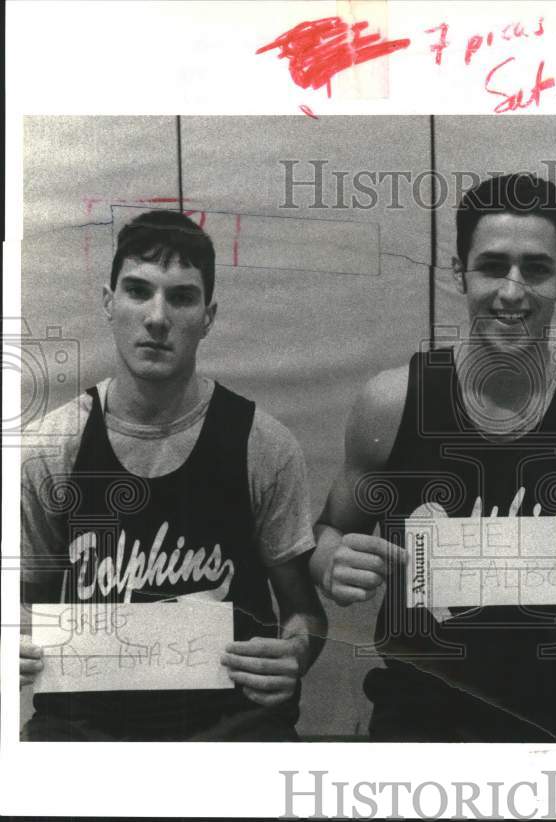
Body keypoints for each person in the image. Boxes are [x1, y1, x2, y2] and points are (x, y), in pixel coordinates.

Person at [311, 173, 556, 741]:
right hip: (423, 714)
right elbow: (329, 530)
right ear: (458, 273)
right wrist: (330, 560)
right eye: (493, 266)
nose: (512, 291)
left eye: (537, 269)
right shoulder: (393, 401)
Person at [19, 210, 326, 741]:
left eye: (180, 298)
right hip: (87, 729)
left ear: (207, 317)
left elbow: (305, 615)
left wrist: (294, 652)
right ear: (107, 301)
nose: (157, 317)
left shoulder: (262, 444)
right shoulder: (52, 448)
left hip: (231, 726)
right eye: (137, 291)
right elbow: (23, 601)